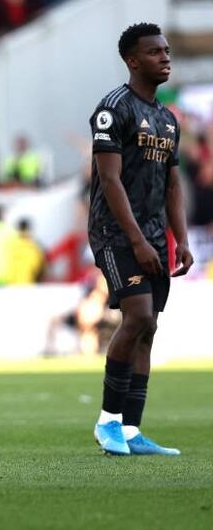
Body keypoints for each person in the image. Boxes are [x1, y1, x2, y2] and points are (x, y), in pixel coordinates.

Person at [88, 23, 193, 456]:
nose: (165, 57)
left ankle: (132, 431)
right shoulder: (114, 109)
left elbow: (172, 186)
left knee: (149, 328)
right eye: (155, 52)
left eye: (167, 51)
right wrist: (136, 241)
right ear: (133, 60)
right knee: (136, 317)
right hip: (116, 232)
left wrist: (180, 239)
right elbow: (109, 181)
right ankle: (108, 423)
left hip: (152, 235)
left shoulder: (168, 120)